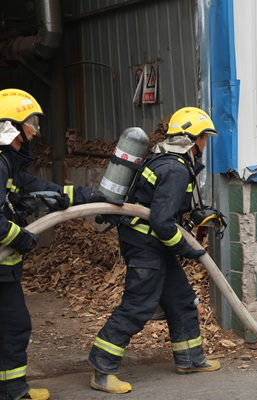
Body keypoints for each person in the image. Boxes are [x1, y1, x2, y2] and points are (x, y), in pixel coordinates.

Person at [88, 107, 220, 394]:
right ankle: (102, 368)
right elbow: (162, 222)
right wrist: (188, 249)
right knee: (138, 306)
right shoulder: (175, 169)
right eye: (203, 138)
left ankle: (190, 359)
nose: (205, 144)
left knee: (182, 301)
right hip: (147, 245)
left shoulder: (163, 159)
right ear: (192, 139)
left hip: (152, 243)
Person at [0, 88, 121, 400]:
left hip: (5, 269)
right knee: (14, 327)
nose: (34, 131)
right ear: (11, 127)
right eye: (30, 123)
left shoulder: (8, 165)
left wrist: (88, 196)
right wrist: (22, 238)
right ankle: (12, 390)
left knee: (11, 326)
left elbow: (45, 190)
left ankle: (11, 388)